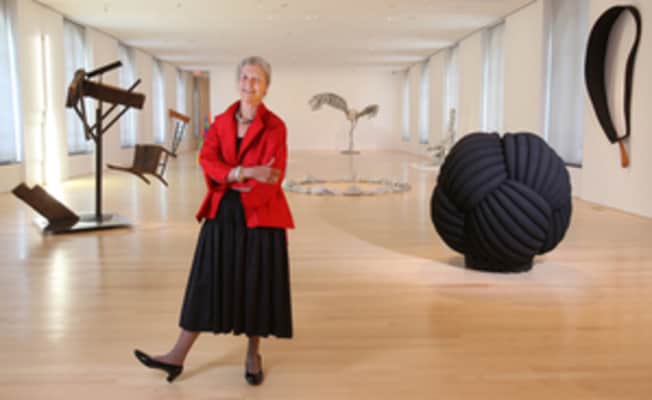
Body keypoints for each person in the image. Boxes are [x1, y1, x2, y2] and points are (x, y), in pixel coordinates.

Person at [134, 56, 294, 386]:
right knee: (205, 280)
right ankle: (177, 355)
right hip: (222, 210)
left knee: (254, 284)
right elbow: (207, 160)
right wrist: (244, 172)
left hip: (260, 213)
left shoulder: (276, 126)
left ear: (266, 87)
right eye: (245, 77)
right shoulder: (220, 122)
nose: (249, 84)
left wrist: (237, 178)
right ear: (238, 82)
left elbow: (273, 175)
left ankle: (252, 354)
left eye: (256, 79)